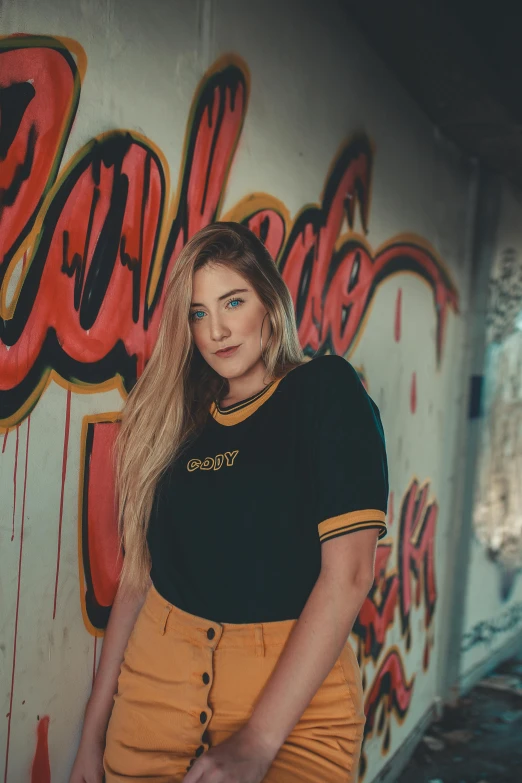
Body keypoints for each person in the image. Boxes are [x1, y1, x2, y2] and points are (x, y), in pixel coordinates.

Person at [69, 221, 389, 783]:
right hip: (152, 702)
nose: (216, 329)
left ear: (269, 300)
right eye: (198, 313)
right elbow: (139, 583)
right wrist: (91, 737)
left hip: (295, 718)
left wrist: (260, 741)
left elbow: (350, 574)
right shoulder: (177, 426)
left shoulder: (325, 391)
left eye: (232, 301)